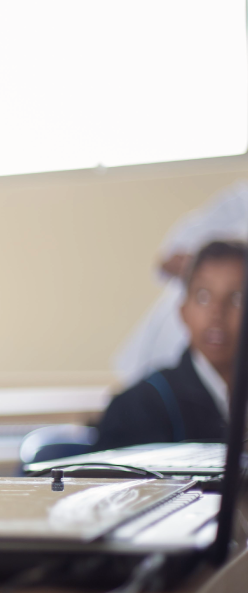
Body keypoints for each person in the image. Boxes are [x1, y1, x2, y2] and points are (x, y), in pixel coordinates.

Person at [95, 240, 244, 451]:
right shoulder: (139, 406)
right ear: (183, 311)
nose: (217, 313)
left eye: (237, 298)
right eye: (203, 297)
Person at [113, 181, 248, 386]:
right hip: (171, 352)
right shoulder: (239, 201)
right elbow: (169, 259)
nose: (217, 311)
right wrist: (215, 272)